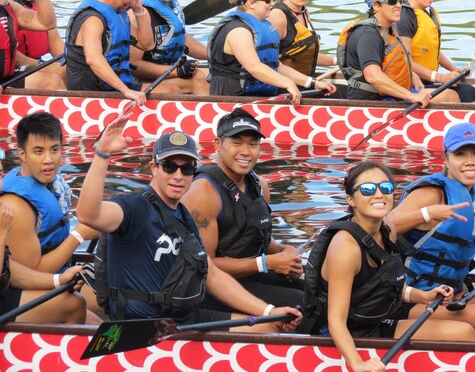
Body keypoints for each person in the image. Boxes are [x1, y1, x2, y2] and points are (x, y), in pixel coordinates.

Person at [76, 117, 301, 331]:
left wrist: (269, 311)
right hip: (146, 325)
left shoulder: (184, 215)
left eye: (186, 169)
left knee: (269, 325)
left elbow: (211, 274)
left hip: (182, 316)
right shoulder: (135, 208)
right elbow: (88, 215)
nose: (178, 175)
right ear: (154, 168)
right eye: (169, 166)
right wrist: (102, 154)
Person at [314, 161, 475, 372]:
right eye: (367, 189)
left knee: (465, 330)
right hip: (354, 336)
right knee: (463, 333)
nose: (379, 194)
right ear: (350, 199)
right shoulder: (345, 247)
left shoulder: (386, 232)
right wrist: (357, 363)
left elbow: (384, 287)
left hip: (378, 324)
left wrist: (424, 296)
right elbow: (336, 321)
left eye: (386, 188)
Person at [387, 122, 475, 342]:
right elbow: (384, 225)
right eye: (460, 154)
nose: (470, 161)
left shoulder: (469, 192)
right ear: (446, 159)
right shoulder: (432, 192)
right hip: (409, 297)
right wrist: (426, 214)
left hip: (448, 292)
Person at [181, 108, 305, 311]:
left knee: (318, 293)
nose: (246, 151)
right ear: (218, 145)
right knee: (301, 303)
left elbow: (256, 237)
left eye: (253, 144)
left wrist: (286, 252)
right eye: (236, 143)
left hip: (250, 275)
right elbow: (203, 267)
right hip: (210, 289)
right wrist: (267, 263)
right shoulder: (203, 193)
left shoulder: (259, 184)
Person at [0, 112, 102, 324]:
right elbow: (28, 274)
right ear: (22, 154)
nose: (48, 160)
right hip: (16, 291)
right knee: (74, 304)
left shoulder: (48, 182)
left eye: (54, 150)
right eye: (38, 151)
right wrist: (79, 235)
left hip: (50, 275)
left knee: (106, 299)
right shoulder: (16, 207)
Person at [206, 0, 335, 106]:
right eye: (267, 0)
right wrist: (287, 83)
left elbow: (276, 66)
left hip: (256, 94)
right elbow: (254, 67)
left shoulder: (262, 26)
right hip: (232, 98)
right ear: (251, 3)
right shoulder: (238, 30)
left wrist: (312, 83)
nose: (272, 4)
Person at [64, 0, 178, 105]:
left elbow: (147, 45)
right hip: (92, 93)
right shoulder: (92, 20)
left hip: (116, 86)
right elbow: (93, 59)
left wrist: (139, 10)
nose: (131, 1)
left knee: (172, 90)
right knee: (170, 93)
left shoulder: (119, 13)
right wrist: (126, 91)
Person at [337, 0, 458, 104]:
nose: (399, 5)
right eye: (392, 1)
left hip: (388, 96)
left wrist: (411, 74)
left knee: (455, 93)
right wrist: (411, 96)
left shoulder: (388, 30)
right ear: (375, 5)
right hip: (371, 103)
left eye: (400, 0)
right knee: (449, 97)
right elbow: (373, 76)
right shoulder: (368, 34)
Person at [395, 0, 475, 103]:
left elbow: (431, 50)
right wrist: (440, 77)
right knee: (468, 91)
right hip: (413, 84)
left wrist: (454, 70)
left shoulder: (427, 12)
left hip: (428, 80)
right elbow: (406, 60)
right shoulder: (405, 17)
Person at [129, 0, 210, 95]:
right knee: (197, 79)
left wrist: (214, 54)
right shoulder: (138, 13)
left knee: (213, 72)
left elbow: (181, 39)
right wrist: (176, 71)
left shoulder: (170, 5)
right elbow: (134, 65)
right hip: (141, 80)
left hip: (167, 72)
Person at [0, 0, 64, 93]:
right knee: (52, 81)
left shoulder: (10, 7)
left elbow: (47, 23)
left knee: (54, 80)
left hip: (6, 78)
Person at [267, 0, 335, 76]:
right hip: (282, 86)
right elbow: (268, 61)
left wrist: (338, 61)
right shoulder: (277, 16)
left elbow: (302, 56)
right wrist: (308, 83)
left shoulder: (305, 12)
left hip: (302, 82)